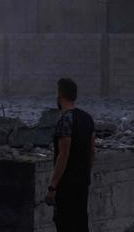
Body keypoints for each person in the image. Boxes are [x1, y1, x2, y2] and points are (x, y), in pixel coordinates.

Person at [44, 77, 94, 232]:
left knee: (65, 224)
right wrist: (85, 175)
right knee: (80, 224)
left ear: (60, 97)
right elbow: (92, 152)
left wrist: (52, 187)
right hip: (82, 183)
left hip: (67, 185)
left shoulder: (65, 120)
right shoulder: (87, 118)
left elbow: (63, 156)